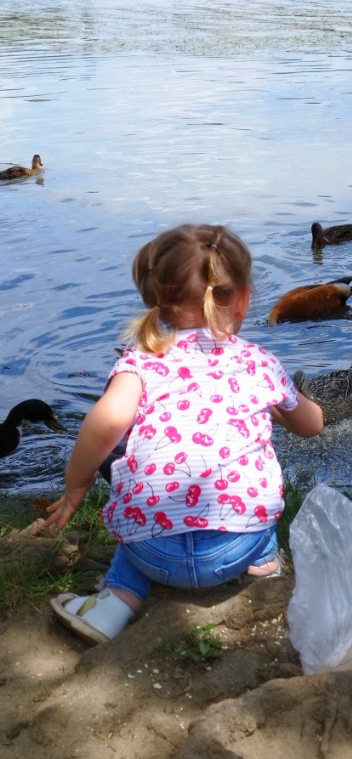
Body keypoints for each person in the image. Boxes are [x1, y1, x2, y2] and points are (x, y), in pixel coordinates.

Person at [44, 223, 323, 645]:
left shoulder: (141, 362)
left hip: (152, 554)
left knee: (140, 503)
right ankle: (266, 567)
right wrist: (283, 408)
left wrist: (76, 486)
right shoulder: (258, 362)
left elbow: (103, 424)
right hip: (237, 549)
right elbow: (312, 424)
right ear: (244, 299)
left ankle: (113, 606)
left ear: (158, 300)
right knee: (253, 478)